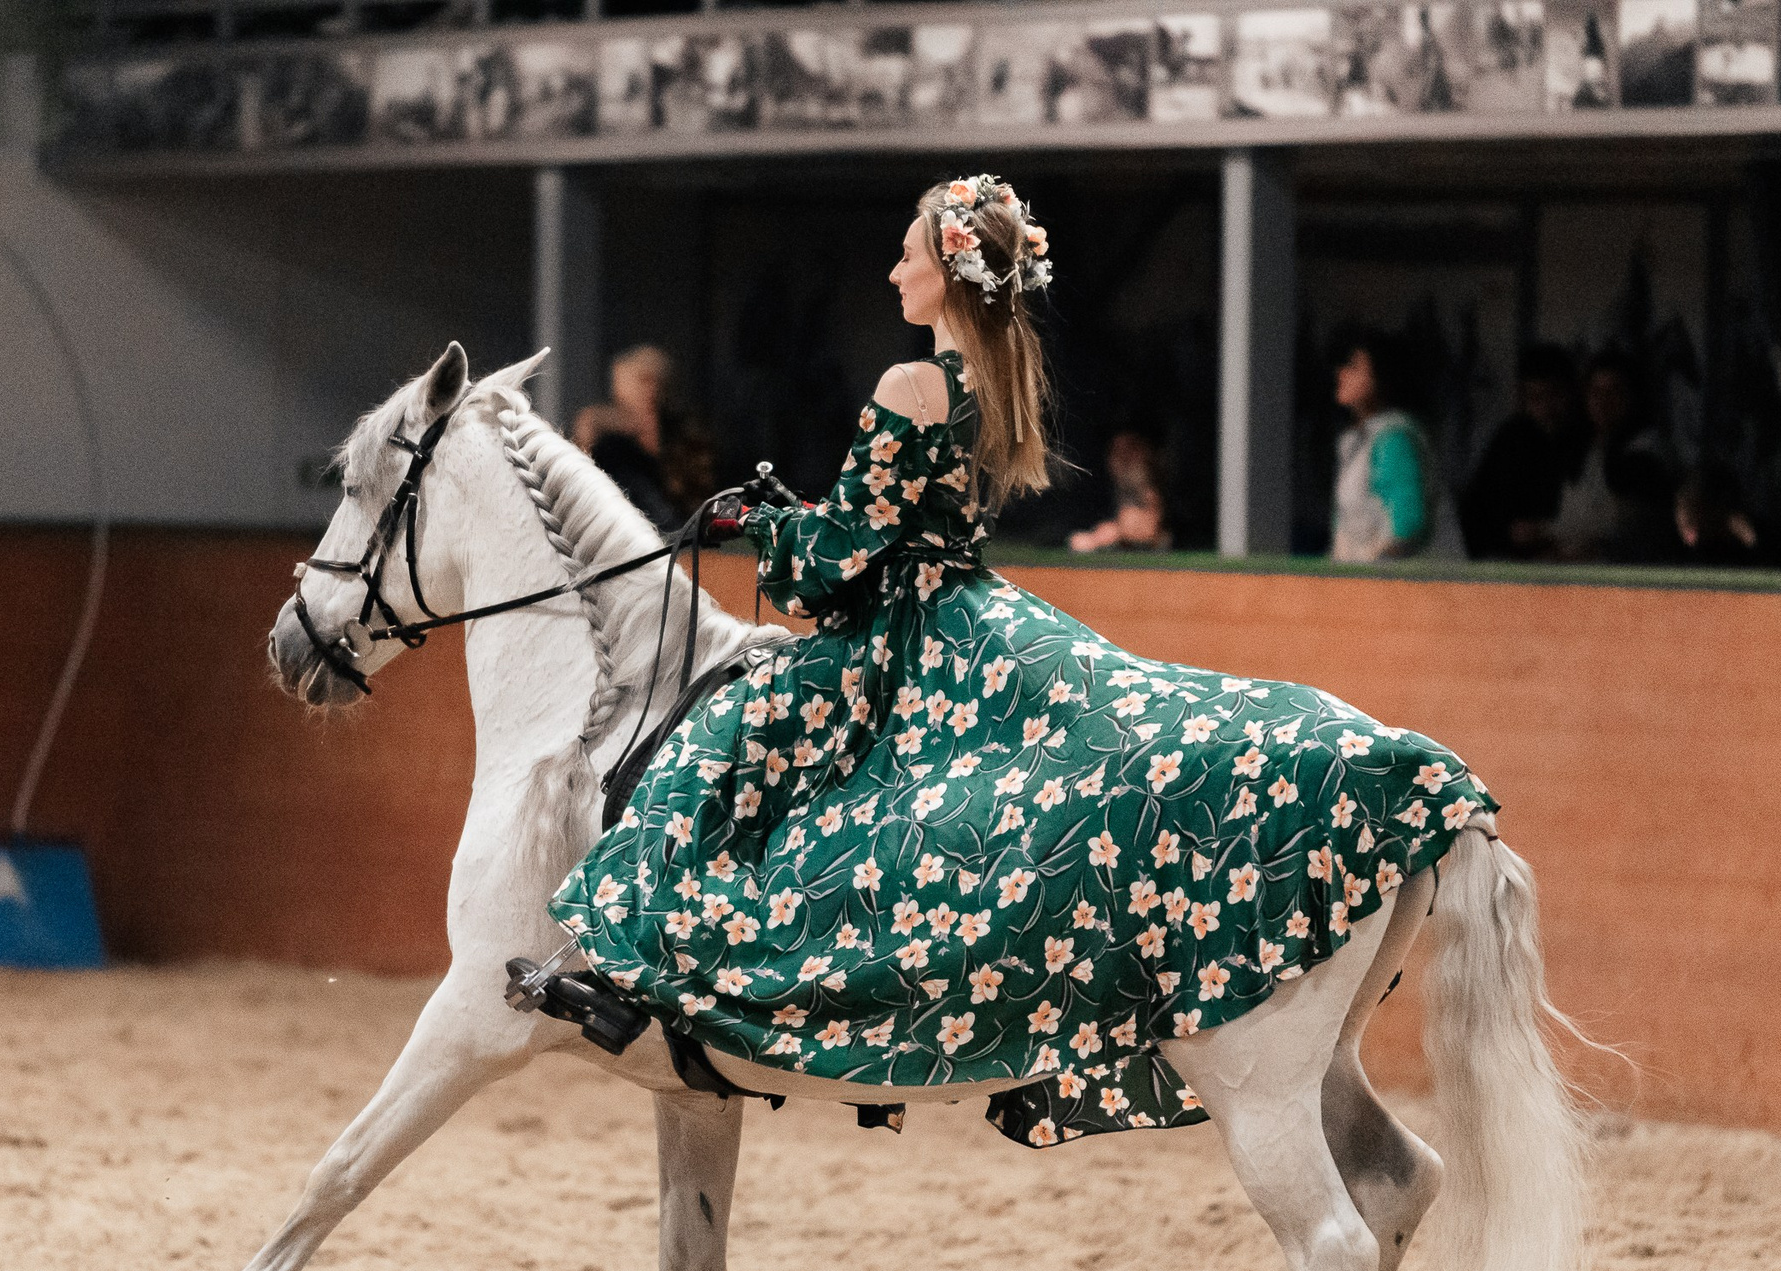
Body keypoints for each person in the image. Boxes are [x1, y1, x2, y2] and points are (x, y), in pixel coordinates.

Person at [539, 174, 1494, 1145]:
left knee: (724, 747)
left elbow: (837, 563)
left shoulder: (907, 385)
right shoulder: (993, 384)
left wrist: (769, 524)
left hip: (907, 635)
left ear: (948, 275)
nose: (892, 269)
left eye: (908, 255)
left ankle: (646, 996)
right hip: (979, 610)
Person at [1328, 329, 1444, 563]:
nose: (1341, 374)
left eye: (1354, 367)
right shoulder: (1355, 441)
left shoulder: (1395, 440)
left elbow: (1406, 526)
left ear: (1380, 378)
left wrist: (1371, 562)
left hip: (1400, 586)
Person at [1460, 343, 1584, 560]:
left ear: (1571, 393)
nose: (1547, 408)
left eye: (1554, 395)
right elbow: (1478, 516)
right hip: (1512, 565)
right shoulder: (1511, 441)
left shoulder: (1587, 438)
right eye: (1536, 398)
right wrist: (1509, 533)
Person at [1550, 350, 1676, 563]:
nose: (1603, 402)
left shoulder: (1647, 451)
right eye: (1596, 392)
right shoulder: (1578, 447)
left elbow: (1632, 525)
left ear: (1632, 396)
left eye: (1614, 392)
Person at [573, 345, 713, 532]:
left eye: (658, 382)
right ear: (620, 387)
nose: (651, 391)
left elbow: (699, 497)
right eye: (643, 381)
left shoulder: (684, 435)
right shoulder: (609, 444)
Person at [1067, 428, 1172, 552]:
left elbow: (1151, 533)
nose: (1124, 458)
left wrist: (1115, 533)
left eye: (1131, 449)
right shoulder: (1095, 486)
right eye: (1116, 451)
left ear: (1147, 453)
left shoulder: (1157, 490)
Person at [1671, 464, 1761, 566]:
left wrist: (1751, 541)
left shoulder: (1729, 519)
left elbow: (1750, 540)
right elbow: (1690, 539)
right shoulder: (1683, 508)